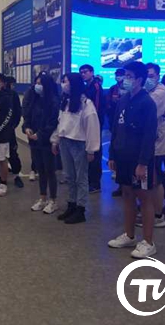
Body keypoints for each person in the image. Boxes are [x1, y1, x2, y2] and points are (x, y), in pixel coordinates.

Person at [108, 61, 158, 258]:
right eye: (125, 75)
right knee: (127, 194)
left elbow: (149, 135)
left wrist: (143, 163)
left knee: (144, 197)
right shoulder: (123, 99)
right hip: (122, 156)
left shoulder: (147, 103)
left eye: (129, 76)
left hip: (139, 159)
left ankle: (148, 242)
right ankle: (129, 235)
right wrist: (112, 154)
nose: (124, 80)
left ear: (139, 79)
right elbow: (115, 128)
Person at [51, 73, 100, 224]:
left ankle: (81, 209)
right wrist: (55, 140)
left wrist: (91, 149)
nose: (63, 84)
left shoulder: (86, 103)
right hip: (65, 142)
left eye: (66, 82)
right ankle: (71, 204)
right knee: (69, 176)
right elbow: (61, 123)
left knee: (81, 178)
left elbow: (92, 127)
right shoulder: (65, 101)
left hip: (79, 144)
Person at [144, 63, 165, 222]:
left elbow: (147, 114)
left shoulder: (160, 94)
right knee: (155, 171)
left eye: (151, 76)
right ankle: (161, 201)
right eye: (146, 76)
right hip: (152, 136)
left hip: (158, 136)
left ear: (158, 76)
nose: (148, 79)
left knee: (156, 172)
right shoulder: (149, 92)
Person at [23, 73, 60, 214]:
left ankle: (53, 200)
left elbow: (53, 122)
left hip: (47, 142)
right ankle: (42, 198)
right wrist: (27, 128)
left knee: (50, 171)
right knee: (41, 170)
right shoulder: (35, 99)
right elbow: (27, 116)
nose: (37, 86)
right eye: (36, 83)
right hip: (34, 141)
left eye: (40, 83)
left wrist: (40, 134)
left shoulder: (54, 101)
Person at [80, 64, 105, 194]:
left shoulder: (96, 86)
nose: (83, 74)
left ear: (92, 72)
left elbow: (97, 106)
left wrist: (95, 122)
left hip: (95, 123)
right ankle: (89, 180)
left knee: (95, 152)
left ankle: (95, 183)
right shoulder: (86, 86)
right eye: (81, 72)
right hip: (87, 123)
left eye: (85, 72)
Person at [5, 76, 25, 187]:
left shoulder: (13, 95)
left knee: (12, 152)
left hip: (9, 130)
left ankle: (16, 175)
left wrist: (13, 125)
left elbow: (17, 111)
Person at [21, 82, 39, 182]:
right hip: (32, 126)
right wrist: (26, 126)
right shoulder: (30, 93)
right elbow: (25, 110)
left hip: (45, 129)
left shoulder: (51, 96)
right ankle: (33, 169)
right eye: (38, 83)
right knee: (34, 149)